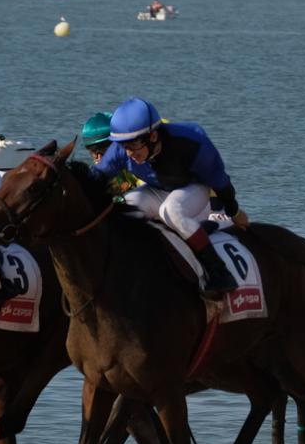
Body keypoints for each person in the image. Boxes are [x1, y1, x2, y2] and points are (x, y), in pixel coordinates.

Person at [90, 97, 247, 298]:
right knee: (126, 209)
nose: (128, 153)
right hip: (158, 190)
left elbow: (220, 182)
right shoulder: (121, 151)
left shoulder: (191, 141)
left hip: (195, 190)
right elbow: (95, 177)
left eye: (133, 145)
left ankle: (219, 272)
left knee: (171, 210)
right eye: (124, 146)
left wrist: (234, 211)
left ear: (153, 136)